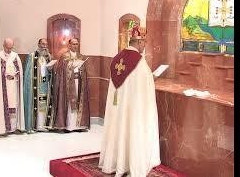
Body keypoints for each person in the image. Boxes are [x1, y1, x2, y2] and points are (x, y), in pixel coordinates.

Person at [98, 25, 161, 176]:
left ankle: (115, 161)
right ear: (139, 42)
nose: (144, 46)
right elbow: (144, 85)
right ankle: (130, 162)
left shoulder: (117, 58)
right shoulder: (139, 62)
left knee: (119, 130)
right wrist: (152, 79)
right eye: (144, 43)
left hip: (118, 107)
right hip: (132, 108)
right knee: (131, 131)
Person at [52, 38, 90, 132]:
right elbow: (60, 71)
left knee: (78, 102)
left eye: (76, 44)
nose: (75, 46)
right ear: (69, 45)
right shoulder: (64, 56)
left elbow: (84, 71)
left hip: (78, 82)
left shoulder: (81, 57)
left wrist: (81, 70)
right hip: (68, 84)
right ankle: (69, 125)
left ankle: (79, 126)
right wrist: (70, 67)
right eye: (73, 44)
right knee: (69, 103)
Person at [0, 38, 25, 136]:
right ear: (3, 46)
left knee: (14, 104)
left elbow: (20, 71)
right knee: (4, 105)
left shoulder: (15, 56)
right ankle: (3, 128)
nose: (9, 50)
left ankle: (13, 127)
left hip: (14, 85)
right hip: (3, 87)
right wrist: (5, 74)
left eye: (11, 48)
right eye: (7, 48)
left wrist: (16, 75)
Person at [24, 38, 55, 133]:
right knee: (35, 104)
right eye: (42, 44)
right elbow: (28, 72)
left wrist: (50, 69)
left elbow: (50, 71)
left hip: (44, 84)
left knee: (43, 104)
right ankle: (33, 125)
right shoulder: (32, 56)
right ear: (38, 44)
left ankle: (42, 125)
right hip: (35, 85)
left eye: (46, 44)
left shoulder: (48, 56)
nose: (44, 46)